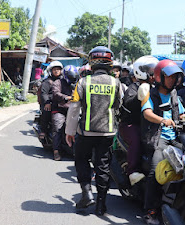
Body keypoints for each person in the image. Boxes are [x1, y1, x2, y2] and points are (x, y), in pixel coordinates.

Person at [65, 46, 122, 216]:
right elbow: (120, 106)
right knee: (103, 167)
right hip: (108, 133)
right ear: (110, 63)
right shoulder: (116, 83)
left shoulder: (83, 82)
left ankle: (87, 193)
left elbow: (74, 108)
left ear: (91, 63)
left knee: (81, 159)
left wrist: (69, 131)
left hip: (86, 132)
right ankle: (101, 205)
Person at [141, 59, 185, 225]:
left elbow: (181, 113)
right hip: (158, 137)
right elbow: (146, 112)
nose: (173, 80)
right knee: (156, 171)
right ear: (160, 77)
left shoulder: (175, 94)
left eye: (175, 77)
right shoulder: (151, 94)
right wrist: (162, 120)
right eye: (170, 77)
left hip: (175, 137)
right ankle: (150, 211)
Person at [119, 55, 158, 186]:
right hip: (131, 124)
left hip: (153, 125)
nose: (154, 74)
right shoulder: (134, 87)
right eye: (151, 71)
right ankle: (132, 171)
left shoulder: (158, 88)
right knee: (136, 140)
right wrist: (138, 97)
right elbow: (129, 102)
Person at [51, 65, 79, 161]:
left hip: (73, 109)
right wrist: (66, 97)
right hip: (60, 109)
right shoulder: (57, 82)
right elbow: (55, 93)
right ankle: (56, 151)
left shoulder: (77, 84)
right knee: (58, 127)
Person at [39, 61, 64, 140]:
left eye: (58, 69)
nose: (56, 71)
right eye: (54, 69)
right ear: (51, 71)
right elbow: (44, 93)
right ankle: (43, 130)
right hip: (50, 102)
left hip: (61, 102)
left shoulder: (63, 81)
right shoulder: (47, 82)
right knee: (46, 111)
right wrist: (47, 103)